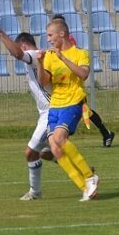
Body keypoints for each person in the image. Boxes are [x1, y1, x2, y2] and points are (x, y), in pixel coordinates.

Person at [0, 19, 55, 200]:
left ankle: (35, 192)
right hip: (47, 112)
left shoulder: (33, 54)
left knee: (30, 152)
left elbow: (17, 54)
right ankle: (85, 172)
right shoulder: (38, 57)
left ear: (24, 45)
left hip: (50, 112)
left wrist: (0, 32)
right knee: (46, 153)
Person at [36, 18, 100, 202]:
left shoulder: (80, 53)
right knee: (55, 149)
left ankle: (89, 176)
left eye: (50, 35)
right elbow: (43, 82)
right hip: (55, 105)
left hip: (74, 102)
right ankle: (85, 187)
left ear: (61, 34)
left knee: (59, 138)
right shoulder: (48, 56)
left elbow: (84, 74)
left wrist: (63, 58)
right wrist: (40, 64)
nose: (48, 39)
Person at [50, 14, 115, 148]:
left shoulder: (69, 41)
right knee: (87, 112)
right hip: (61, 87)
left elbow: (73, 57)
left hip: (73, 84)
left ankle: (105, 133)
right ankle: (106, 133)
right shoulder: (54, 40)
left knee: (85, 111)